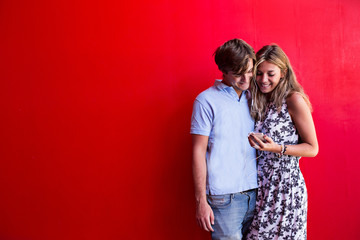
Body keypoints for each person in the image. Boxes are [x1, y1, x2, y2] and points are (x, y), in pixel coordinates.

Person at [246, 44, 319, 240]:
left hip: (286, 189)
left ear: (283, 72)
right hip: (260, 187)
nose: (263, 80)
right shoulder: (259, 99)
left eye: (270, 74)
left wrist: (276, 147)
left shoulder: (293, 99)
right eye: (258, 73)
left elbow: (313, 148)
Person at [191, 39, 258, 240]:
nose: (246, 79)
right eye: (238, 73)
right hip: (224, 199)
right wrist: (201, 201)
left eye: (249, 70)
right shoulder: (206, 101)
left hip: (257, 193)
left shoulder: (255, 97)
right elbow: (198, 152)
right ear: (224, 70)